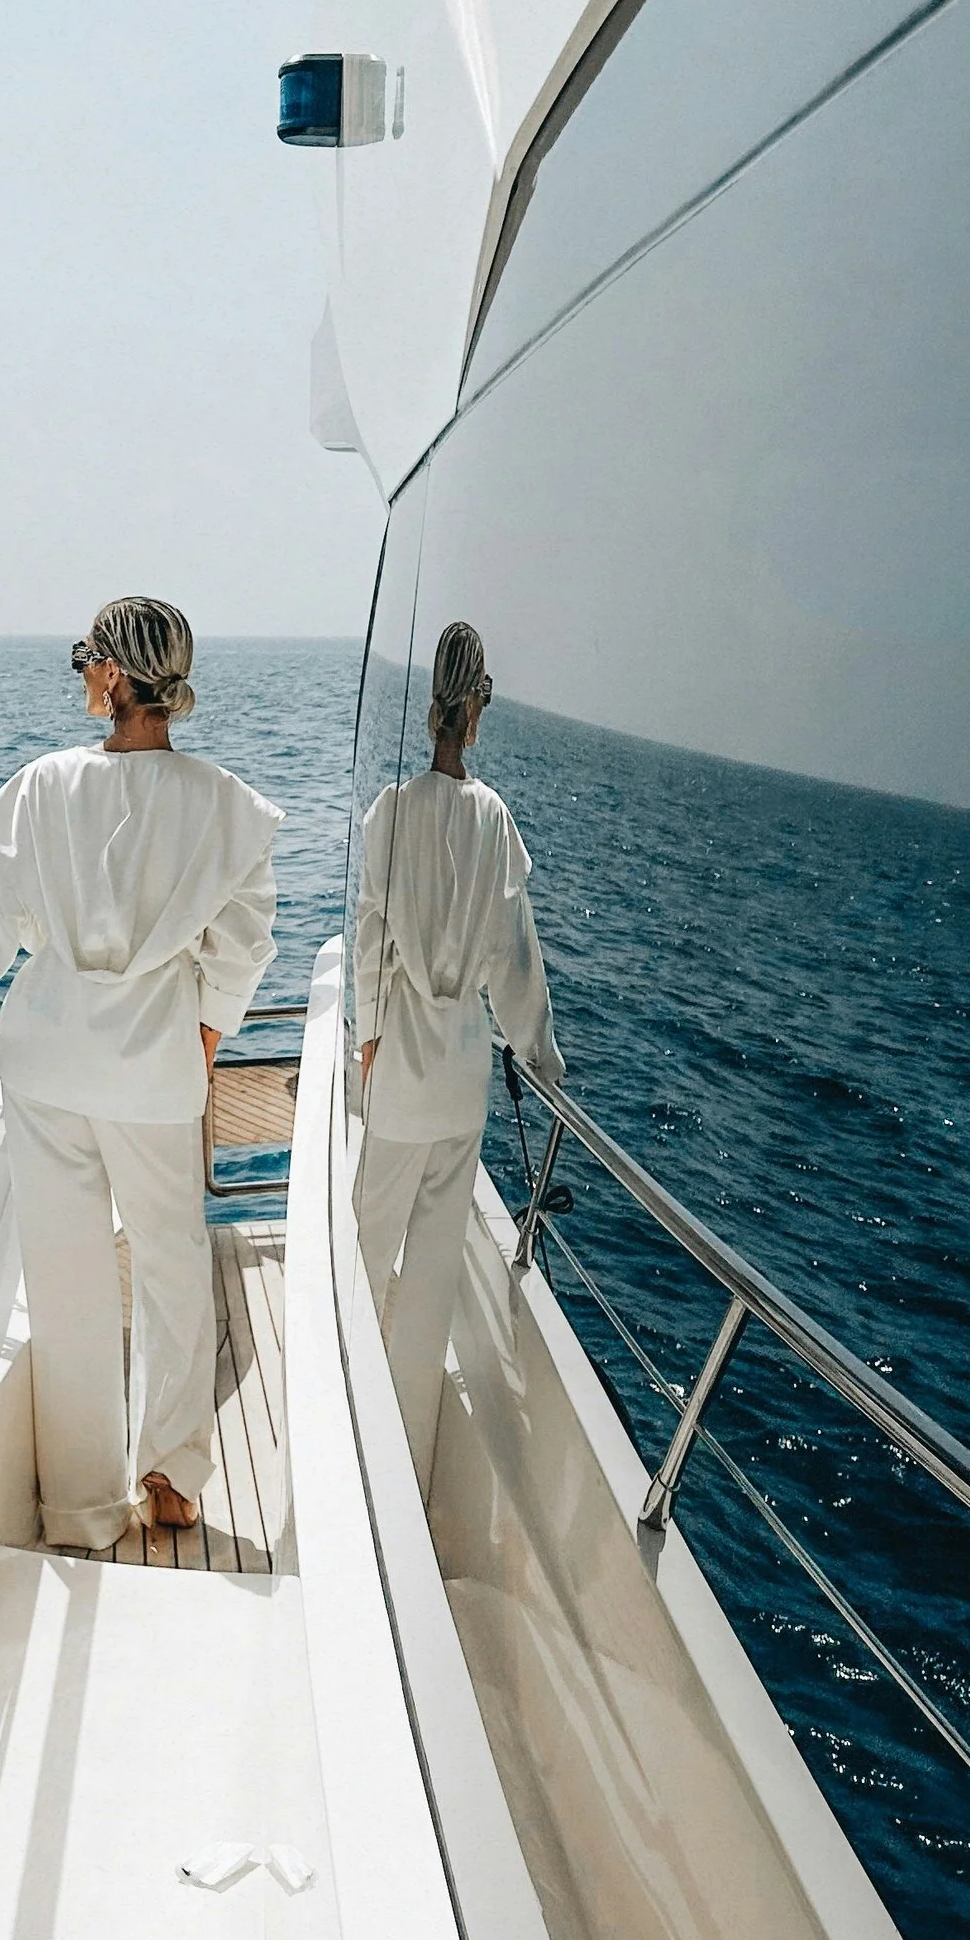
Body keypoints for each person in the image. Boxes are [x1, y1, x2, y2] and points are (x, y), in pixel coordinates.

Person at [0, 598, 281, 1551]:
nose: (79, 677)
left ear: (111, 677)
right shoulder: (226, 805)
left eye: (83, 661)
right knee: (174, 1268)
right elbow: (243, 944)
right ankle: (173, 1477)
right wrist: (206, 1034)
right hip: (154, 1067)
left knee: (64, 1278)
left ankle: (80, 1505)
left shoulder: (41, 790)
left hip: (52, 1062)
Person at [354, 620, 564, 1487]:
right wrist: (544, 1064)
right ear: (476, 707)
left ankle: (347, 1412)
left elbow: (368, 941)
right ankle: (407, 1451)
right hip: (463, 1069)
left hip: (400, 1057)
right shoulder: (494, 822)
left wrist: (368, 1035)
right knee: (435, 1267)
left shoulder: (391, 813)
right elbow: (517, 964)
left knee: (366, 1243)